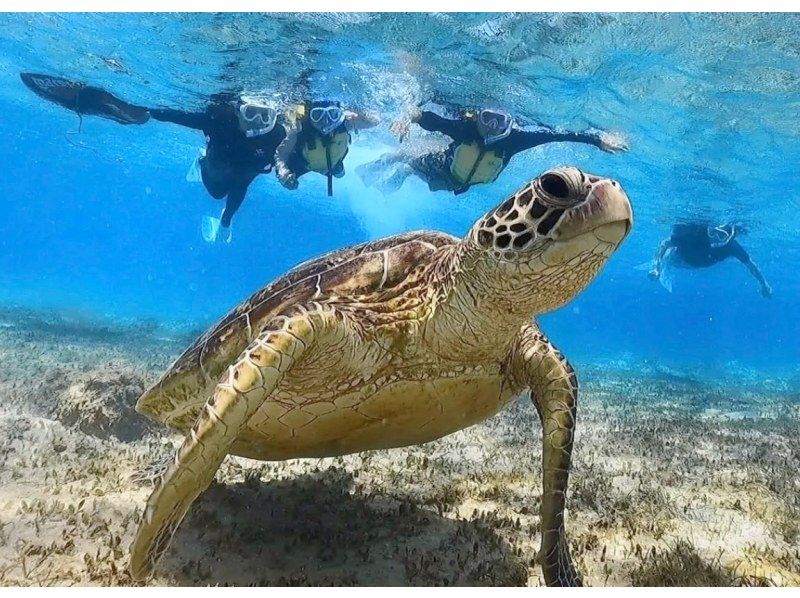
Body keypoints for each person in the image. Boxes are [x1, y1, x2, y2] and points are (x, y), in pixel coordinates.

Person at [20, 72, 286, 243]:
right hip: (216, 166)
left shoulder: (277, 135)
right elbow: (181, 117)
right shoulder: (221, 120)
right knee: (216, 191)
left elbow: (275, 165)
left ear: (275, 118)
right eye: (250, 113)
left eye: (265, 117)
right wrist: (144, 112)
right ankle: (201, 161)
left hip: (243, 176)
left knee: (230, 196)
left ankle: (223, 216)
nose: (256, 124)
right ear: (240, 110)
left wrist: (228, 219)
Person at [357, 106, 628, 195]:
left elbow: (559, 135)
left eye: (500, 121)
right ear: (478, 117)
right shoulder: (466, 129)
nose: (491, 127)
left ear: (510, 123)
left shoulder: (517, 140)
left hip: (461, 182)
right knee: (408, 163)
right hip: (442, 165)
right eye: (487, 118)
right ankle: (384, 164)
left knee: (411, 163)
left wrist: (597, 139)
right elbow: (427, 118)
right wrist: (407, 116)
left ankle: (395, 163)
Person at [275, 100, 379, 196]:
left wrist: (357, 108)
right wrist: (282, 169)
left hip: (333, 164)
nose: (326, 121)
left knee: (340, 175)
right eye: (318, 115)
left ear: (340, 114)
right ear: (310, 116)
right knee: (288, 183)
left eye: (333, 114)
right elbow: (280, 153)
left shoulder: (347, 123)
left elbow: (375, 121)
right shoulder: (301, 127)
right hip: (303, 163)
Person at [648, 222, 772, 297]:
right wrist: (656, 267)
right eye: (714, 232)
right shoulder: (694, 233)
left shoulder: (732, 246)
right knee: (671, 259)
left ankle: (666, 264)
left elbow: (751, 265)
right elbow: (664, 244)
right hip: (682, 259)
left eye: (723, 235)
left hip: (700, 261)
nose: (717, 237)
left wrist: (764, 284)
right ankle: (667, 263)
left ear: (729, 237)